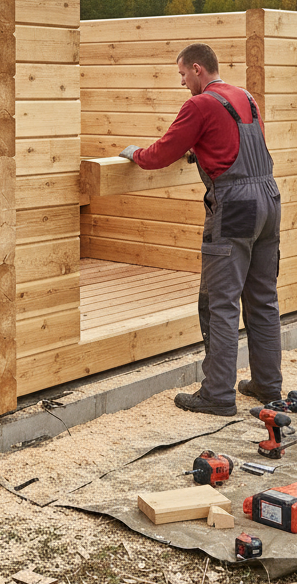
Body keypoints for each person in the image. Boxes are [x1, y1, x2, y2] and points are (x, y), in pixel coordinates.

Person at [119, 42, 282, 416]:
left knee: (220, 302)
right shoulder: (245, 97)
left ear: (197, 69)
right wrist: (201, 149)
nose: (181, 83)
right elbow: (230, 143)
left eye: (181, 75)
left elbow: (161, 152)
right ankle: (268, 385)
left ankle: (218, 394)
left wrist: (135, 154)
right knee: (263, 298)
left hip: (237, 206)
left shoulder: (199, 104)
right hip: (269, 199)